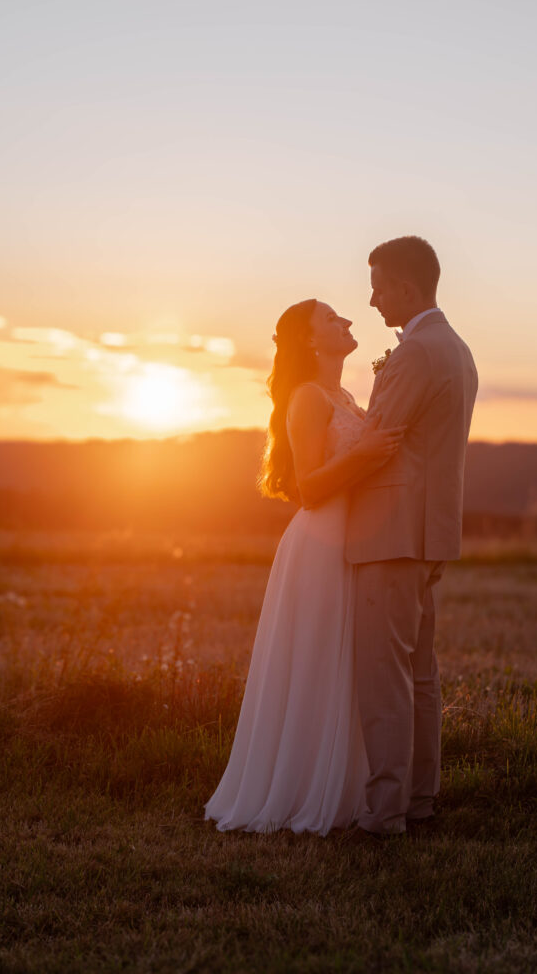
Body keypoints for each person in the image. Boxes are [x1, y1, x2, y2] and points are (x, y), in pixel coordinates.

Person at [204, 298, 405, 834]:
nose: (346, 322)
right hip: (320, 544)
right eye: (332, 319)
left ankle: (340, 785)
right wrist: (366, 455)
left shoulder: (341, 395)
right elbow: (309, 489)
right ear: (311, 341)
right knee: (316, 661)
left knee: (342, 665)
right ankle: (297, 790)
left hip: (352, 541)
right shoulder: (308, 398)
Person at [346, 235, 478, 837]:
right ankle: (419, 800)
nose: (372, 300)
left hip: (393, 533)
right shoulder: (456, 348)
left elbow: (379, 438)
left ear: (405, 285)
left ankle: (385, 812)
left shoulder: (416, 353)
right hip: (430, 532)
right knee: (420, 674)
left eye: (378, 286)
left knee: (385, 677)